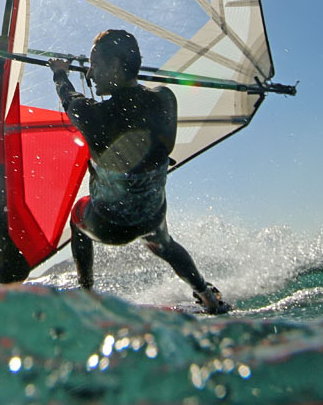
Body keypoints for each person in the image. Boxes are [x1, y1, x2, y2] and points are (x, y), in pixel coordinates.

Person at [49, 29, 230, 314]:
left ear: (116, 66)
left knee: (77, 217)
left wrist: (60, 73)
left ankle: (86, 294)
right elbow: (136, 106)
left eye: (95, 65)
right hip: (151, 214)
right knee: (164, 245)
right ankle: (207, 295)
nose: (91, 74)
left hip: (110, 225)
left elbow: (69, 98)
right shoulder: (164, 98)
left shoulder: (93, 116)